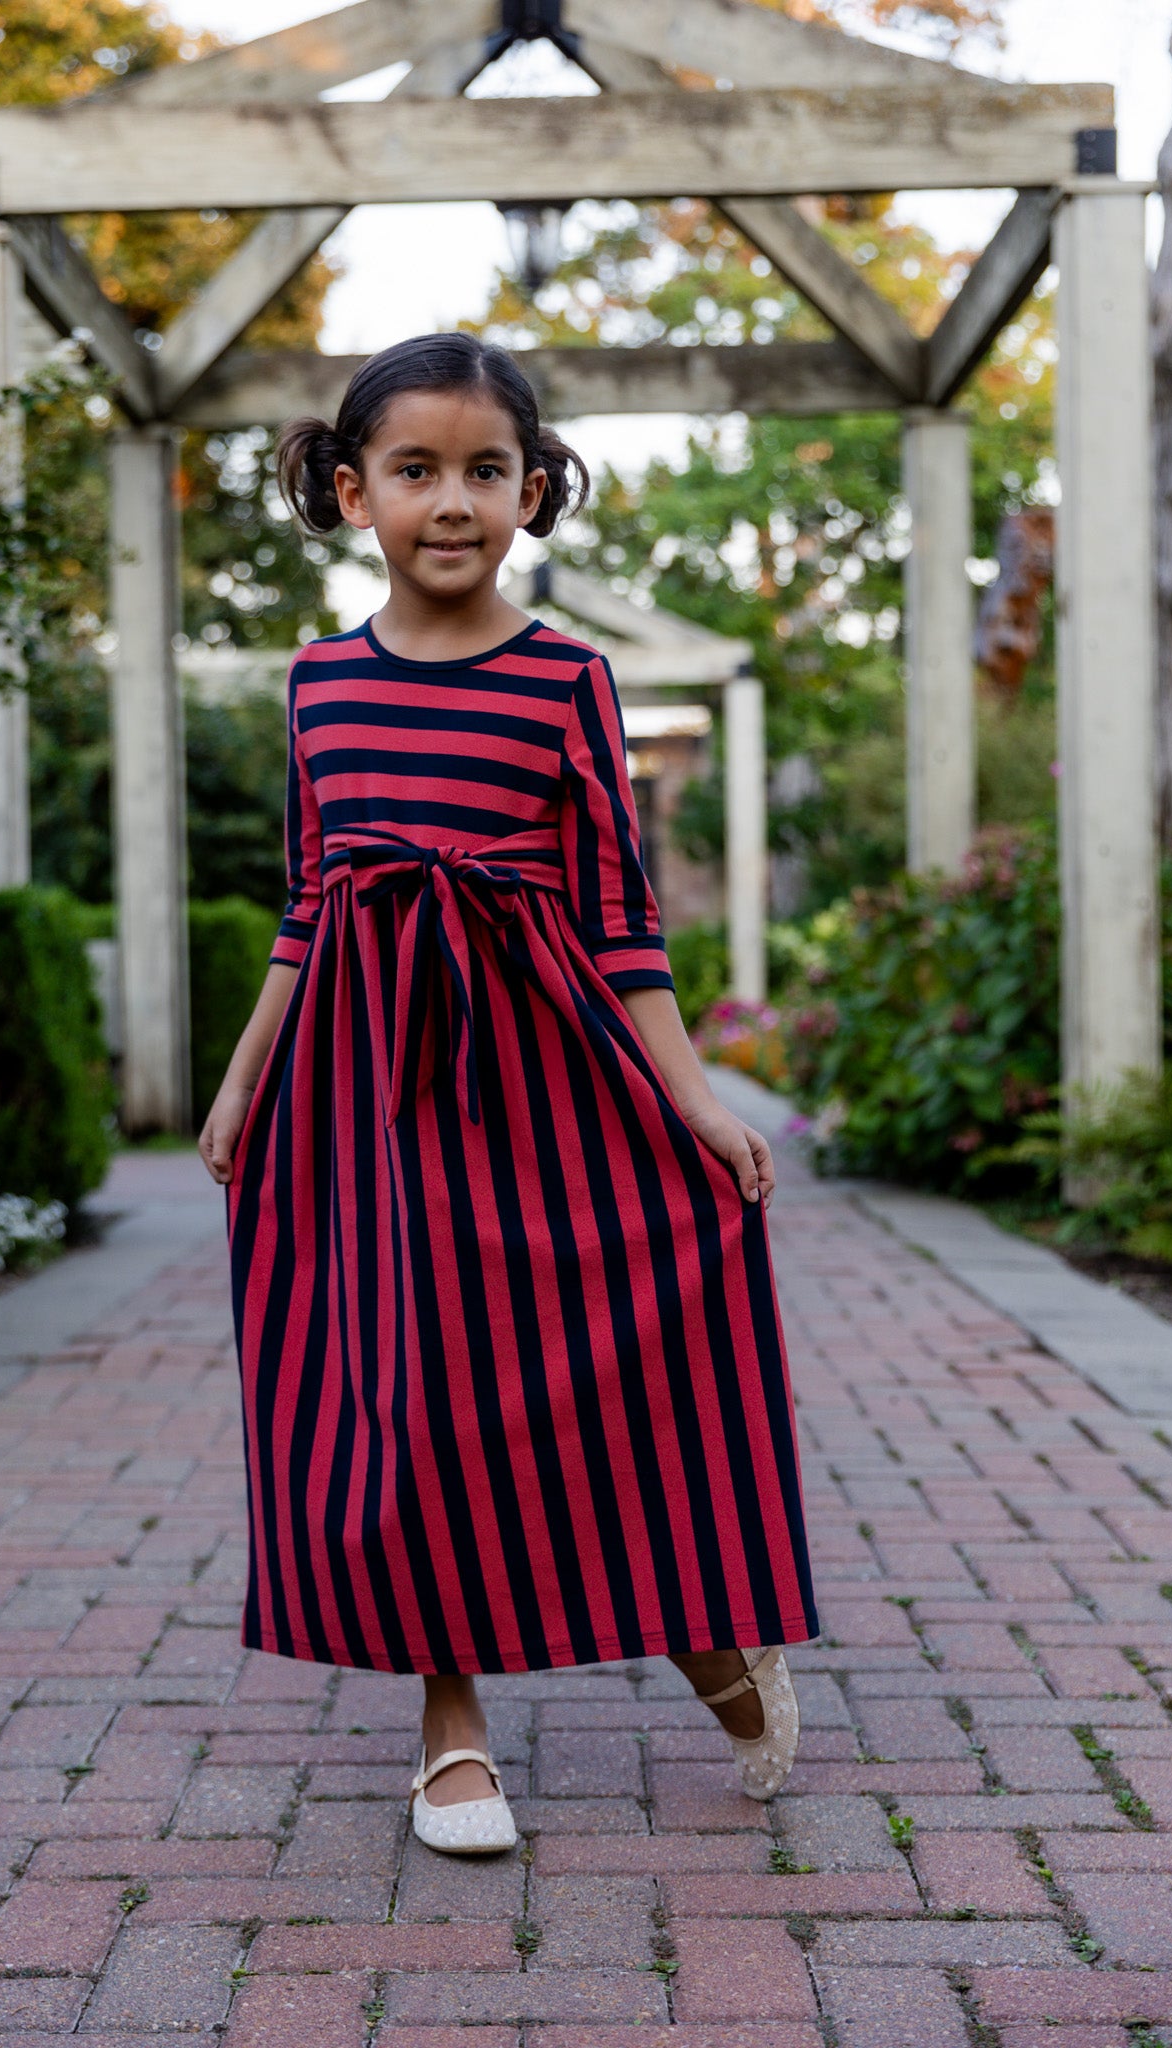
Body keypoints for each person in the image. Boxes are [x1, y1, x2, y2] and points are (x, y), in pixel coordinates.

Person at [199, 332, 818, 1857]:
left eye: (486, 469)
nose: (453, 500)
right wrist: (239, 1083)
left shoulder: (565, 682)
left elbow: (620, 919)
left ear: (533, 491)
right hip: (364, 1100)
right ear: (353, 492)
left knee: (580, 1379)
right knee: (404, 1398)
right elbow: (306, 901)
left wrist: (698, 1105)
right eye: (416, 469)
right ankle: (450, 1726)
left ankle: (707, 1641)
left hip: (542, 1080)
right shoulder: (321, 686)